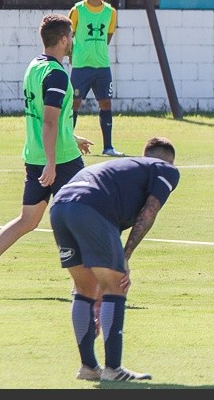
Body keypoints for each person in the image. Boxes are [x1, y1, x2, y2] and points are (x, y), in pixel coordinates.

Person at [0, 14, 94, 299]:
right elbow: (49, 122)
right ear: (63, 40)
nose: (72, 41)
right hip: (60, 160)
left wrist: (73, 136)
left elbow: (45, 119)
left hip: (36, 154)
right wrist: (52, 162)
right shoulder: (57, 74)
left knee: (27, 220)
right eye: (71, 37)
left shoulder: (34, 67)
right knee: (83, 215)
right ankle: (82, 283)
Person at [50, 136, 180, 382]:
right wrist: (125, 257)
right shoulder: (166, 170)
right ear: (169, 161)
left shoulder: (125, 175)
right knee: (116, 286)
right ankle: (113, 369)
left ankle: (88, 367)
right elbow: (149, 212)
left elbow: (102, 255)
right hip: (91, 206)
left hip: (60, 206)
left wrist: (100, 299)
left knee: (84, 288)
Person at [68, 0, 125, 157]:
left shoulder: (110, 12)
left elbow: (107, 37)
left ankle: (108, 147)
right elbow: (69, 37)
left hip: (102, 66)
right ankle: (67, 143)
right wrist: (72, 55)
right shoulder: (78, 10)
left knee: (106, 103)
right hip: (81, 66)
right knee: (74, 103)